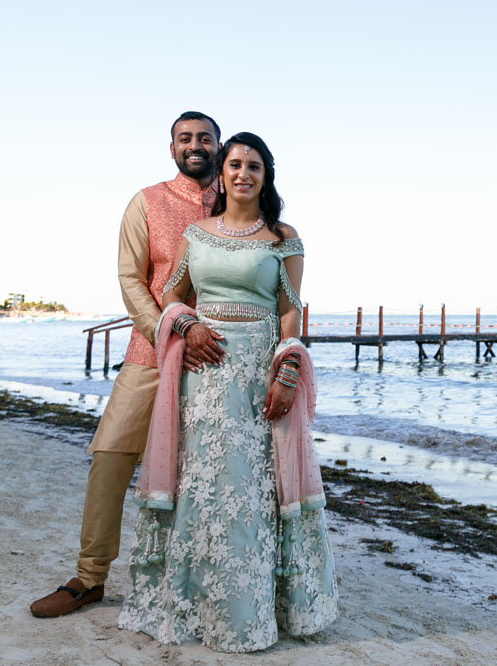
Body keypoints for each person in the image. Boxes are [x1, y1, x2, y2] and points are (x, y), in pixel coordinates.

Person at [116, 132, 337, 652]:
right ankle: (191, 604)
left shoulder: (283, 237)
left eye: (254, 166)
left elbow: (290, 311)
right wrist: (187, 329)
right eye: (235, 164)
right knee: (204, 480)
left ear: (266, 176)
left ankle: (256, 609)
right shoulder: (197, 233)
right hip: (204, 371)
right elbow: (171, 297)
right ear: (222, 173)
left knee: (252, 486)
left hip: (257, 371)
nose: (243, 174)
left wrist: (286, 374)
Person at [30, 111, 222, 618]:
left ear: (219, 146)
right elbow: (131, 278)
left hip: (220, 357)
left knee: (212, 470)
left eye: (205, 138)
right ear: (172, 147)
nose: (195, 145)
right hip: (152, 352)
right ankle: (89, 578)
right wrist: (167, 329)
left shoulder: (238, 198)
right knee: (110, 456)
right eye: (186, 138)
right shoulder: (147, 202)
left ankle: (208, 580)